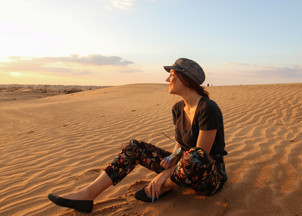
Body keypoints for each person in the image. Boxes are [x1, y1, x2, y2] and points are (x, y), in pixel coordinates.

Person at [48, 58, 228, 213]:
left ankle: (163, 187)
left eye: (171, 75)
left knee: (194, 156)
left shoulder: (208, 108)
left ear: (186, 79)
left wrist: (164, 175)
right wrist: (171, 159)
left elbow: (201, 153)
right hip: (179, 168)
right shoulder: (178, 109)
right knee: (134, 147)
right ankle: (88, 195)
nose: (167, 79)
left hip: (209, 175)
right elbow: (180, 145)